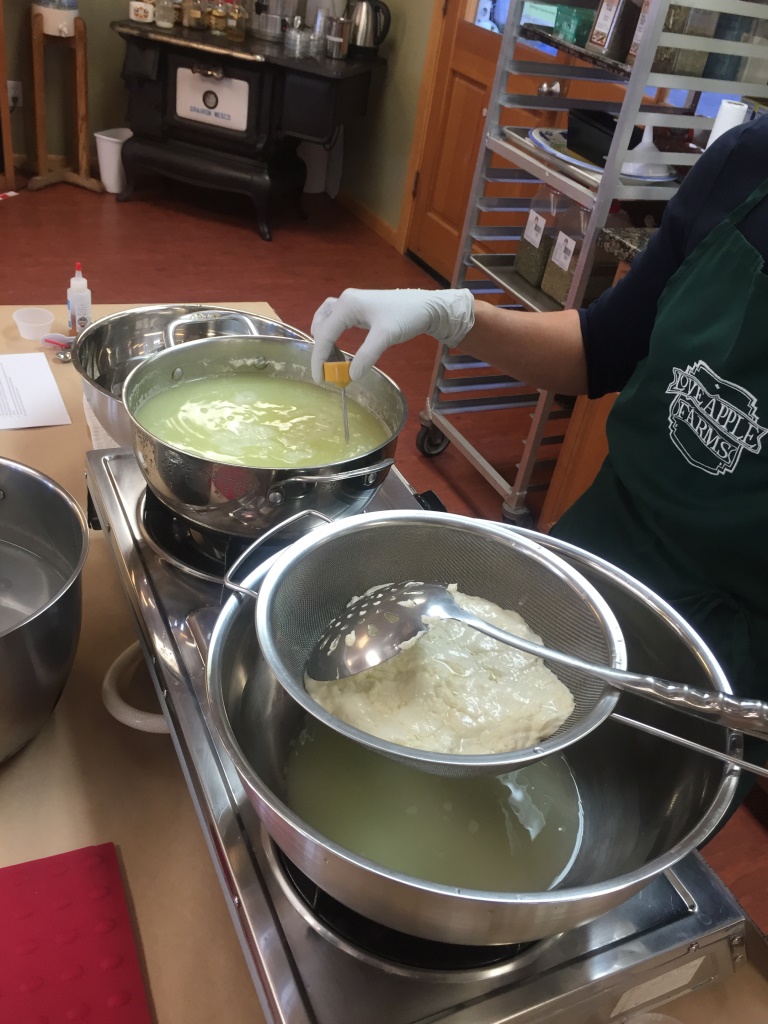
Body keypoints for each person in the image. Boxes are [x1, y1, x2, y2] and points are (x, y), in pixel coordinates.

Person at [309, 115, 768, 793]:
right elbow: (601, 347)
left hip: (726, 661)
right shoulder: (747, 162)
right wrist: (456, 315)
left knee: (609, 803)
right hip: (591, 564)